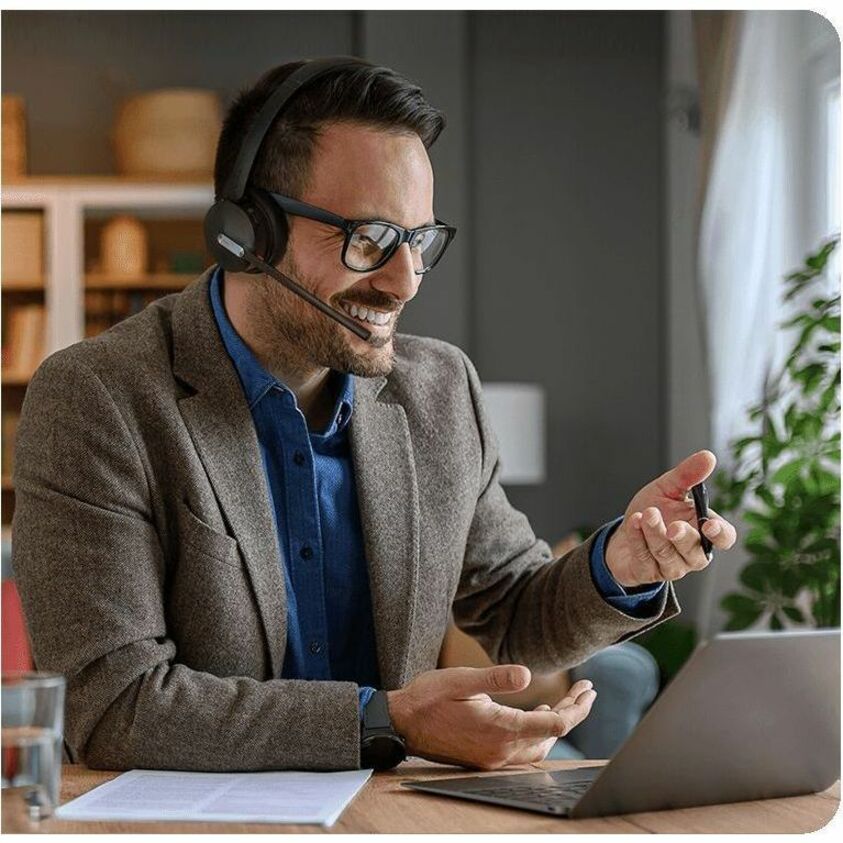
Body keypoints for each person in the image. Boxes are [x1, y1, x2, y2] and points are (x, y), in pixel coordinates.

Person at [12, 58, 736, 774]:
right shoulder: (97, 400)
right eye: (369, 240)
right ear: (247, 232)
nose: (404, 282)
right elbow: (112, 706)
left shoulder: (441, 390)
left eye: (418, 241)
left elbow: (516, 611)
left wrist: (621, 565)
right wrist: (386, 722)